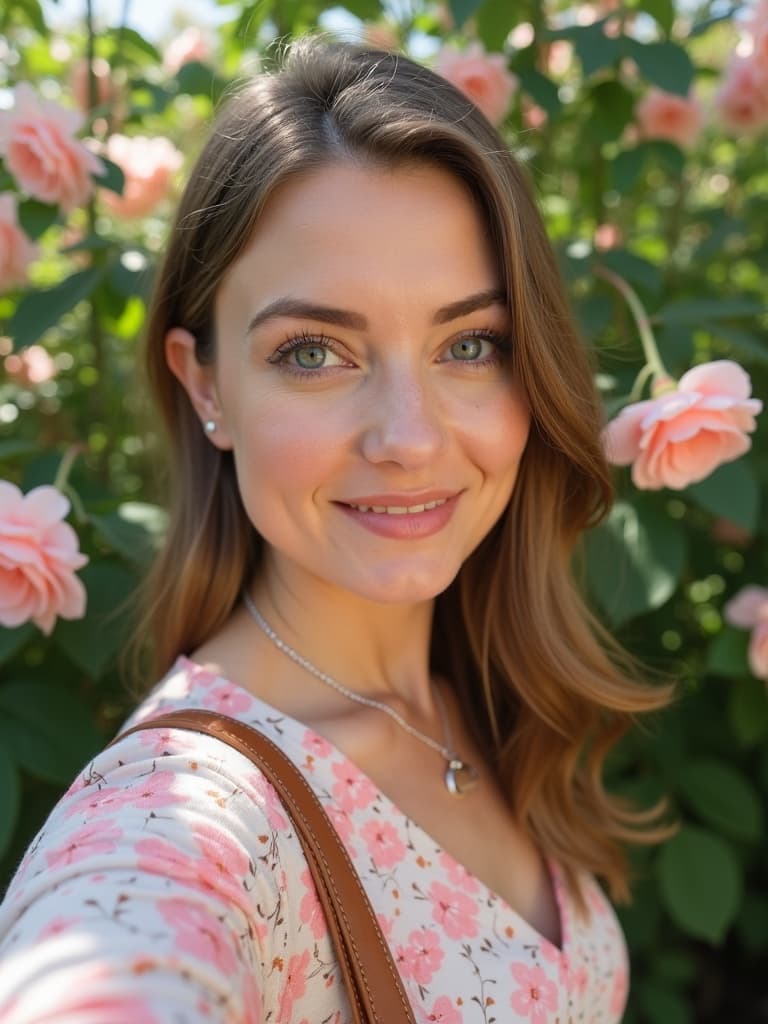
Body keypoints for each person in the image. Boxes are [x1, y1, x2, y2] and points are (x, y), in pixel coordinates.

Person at [0, 37, 671, 1023]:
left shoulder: (486, 694)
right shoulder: (177, 812)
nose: (408, 437)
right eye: (314, 351)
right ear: (205, 383)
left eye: (471, 344)